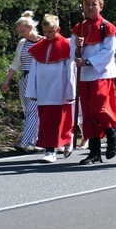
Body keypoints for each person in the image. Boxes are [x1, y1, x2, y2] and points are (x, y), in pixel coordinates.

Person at [70, 0, 116, 165]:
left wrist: (88, 61)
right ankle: (94, 152)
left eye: (94, 4)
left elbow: (109, 51)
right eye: (88, 4)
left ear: (101, 6)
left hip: (101, 73)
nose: (91, 7)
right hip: (84, 76)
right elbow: (72, 51)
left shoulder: (106, 27)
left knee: (99, 108)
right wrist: (77, 48)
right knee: (88, 113)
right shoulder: (80, 27)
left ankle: (111, 134)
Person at [25, 14, 76, 163]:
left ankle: (66, 140)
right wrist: (32, 91)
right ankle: (49, 150)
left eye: (50, 32)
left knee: (61, 119)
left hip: (60, 89)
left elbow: (70, 71)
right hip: (44, 90)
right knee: (46, 120)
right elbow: (33, 71)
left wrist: (71, 90)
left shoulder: (66, 46)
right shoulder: (38, 48)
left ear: (58, 29)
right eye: (45, 32)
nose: (47, 35)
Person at [2, 11, 43, 153]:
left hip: (39, 80)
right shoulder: (22, 43)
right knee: (29, 112)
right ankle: (37, 141)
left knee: (33, 110)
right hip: (25, 79)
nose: (21, 34)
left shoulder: (44, 41)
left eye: (22, 31)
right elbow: (15, 64)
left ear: (30, 27)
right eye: (19, 32)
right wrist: (7, 80)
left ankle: (25, 143)